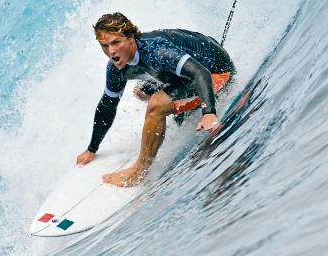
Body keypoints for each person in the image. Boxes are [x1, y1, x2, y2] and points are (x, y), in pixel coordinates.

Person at [75, 12, 235, 187]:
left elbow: (200, 72)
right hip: (183, 75)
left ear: (130, 38)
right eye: (104, 45)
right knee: (141, 92)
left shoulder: (157, 51)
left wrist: (209, 112)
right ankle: (180, 114)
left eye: (116, 42)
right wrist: (92, 148)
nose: (111, 51)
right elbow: (108, 104)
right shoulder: (116, 68)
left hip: (216, 72)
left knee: (157, 104)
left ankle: (139, 172)